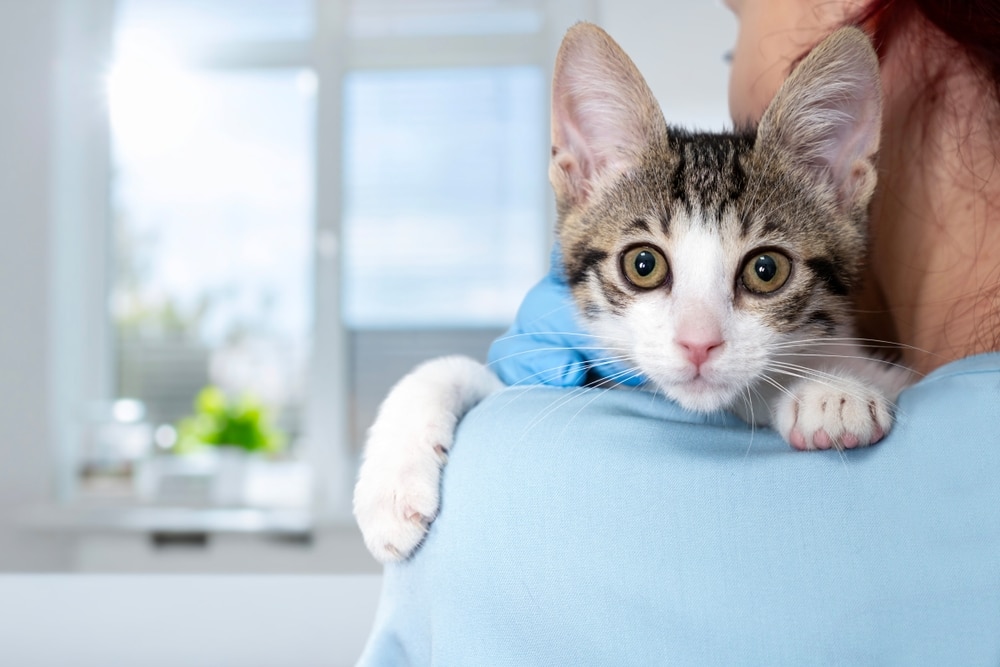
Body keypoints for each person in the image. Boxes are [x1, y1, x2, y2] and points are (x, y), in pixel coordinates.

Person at [358, 1, 1000, 664]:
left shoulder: (501, 486)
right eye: (645, 265)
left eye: (764, 268)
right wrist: (431, 396)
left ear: (839, 184)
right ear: (580, 172)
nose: (699, 337)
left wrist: (805, 387)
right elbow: (479, 387)